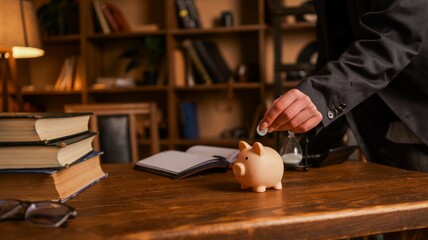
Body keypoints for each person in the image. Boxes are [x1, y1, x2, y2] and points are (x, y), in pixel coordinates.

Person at [259, 0, 428, 172]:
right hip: (374, 122)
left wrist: (320, 95)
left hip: (417, 115)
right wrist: (317, 140)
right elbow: (332, 50)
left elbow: (393, 40)